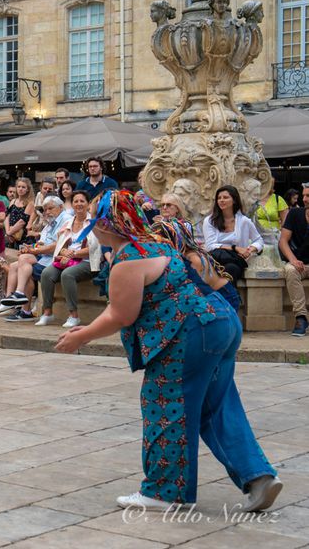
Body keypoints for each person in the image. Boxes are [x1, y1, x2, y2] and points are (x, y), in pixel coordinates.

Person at [54, 191, 282, 512]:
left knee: (164, 403)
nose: (90, 226)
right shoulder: (156, 243)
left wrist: (82, 336)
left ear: (106, 225)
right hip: (220, 321)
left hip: (190, 332)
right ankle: (259, 478)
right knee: (215, 406)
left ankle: (163, 492)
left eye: (93, 219)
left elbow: (122, 315)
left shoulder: (128, 260)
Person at [35, 191, 100, 328]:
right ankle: (47, 313)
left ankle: (73, 316)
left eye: (82, 201)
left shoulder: (93, 223)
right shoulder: (69, 223)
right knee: (46, 273)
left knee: (67, 274)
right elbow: (60, 246)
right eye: (76, 201)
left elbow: (93, 249)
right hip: (67, 260)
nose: (78, 204)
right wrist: (65, 253)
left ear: (88, 204)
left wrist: (73, 254)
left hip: (87, 262)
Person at [0, 196, 68, 321]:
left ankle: (20, 301)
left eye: (50, 208)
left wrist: (35, 250)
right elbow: (42, 243)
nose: (47, 212)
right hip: (44, 257)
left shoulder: (66, 220)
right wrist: (32, 247)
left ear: (61, 207)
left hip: (55, 260)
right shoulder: (50, 223)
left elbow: (58, 245)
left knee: (23, 263)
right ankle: (12, 300)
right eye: (45, 210)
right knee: (17, 264)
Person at [153, 218, 241, 312]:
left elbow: (199, 291)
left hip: (224, 296)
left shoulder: (193, 258)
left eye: (162, 242)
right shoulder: (187, 255)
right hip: (218, 295)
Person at [202, 185, 263, 284]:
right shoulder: (209, 221)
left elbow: (259, 240)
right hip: (215, 260)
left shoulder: (244, 221)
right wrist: (235, 248)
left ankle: (224, 298)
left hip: (235, 260)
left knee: (231, 269)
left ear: (234, 200)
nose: (221, 200)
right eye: (219, 198)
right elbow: (210, 246)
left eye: (225, 197)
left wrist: (250, 249)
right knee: (225, 269)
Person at [280, 183, 309, 337]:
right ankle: (301, 317)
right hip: (300, 264)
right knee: (290, 271)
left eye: (308, 196)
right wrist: (292, 259)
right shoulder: (295, 214)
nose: (304, 199)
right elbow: (283, 241)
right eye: (304, 195)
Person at [3, 178, 36, 253]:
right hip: (11, 235)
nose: (20, 189)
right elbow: (7, 217)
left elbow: (22, 222)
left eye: (23, 187)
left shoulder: (30, 203)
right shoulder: (13, 201)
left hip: (23, 237)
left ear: (27, 189)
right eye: (19, 186)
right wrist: (8, 232)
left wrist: (9, 232)